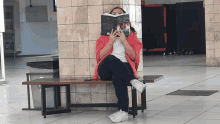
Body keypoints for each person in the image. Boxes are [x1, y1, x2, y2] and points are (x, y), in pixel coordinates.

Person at [92, 7, 147, 123]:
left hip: (124, 68)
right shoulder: (104, 35)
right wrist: (110, 42)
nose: (116, 15)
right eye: (114, 14)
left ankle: (123, 112)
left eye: (120, 14)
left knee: (118, 75)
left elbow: (133, 56)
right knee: (112, 58)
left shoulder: (130, 35)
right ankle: (133, 81)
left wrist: (124, 41)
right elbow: (100, 57)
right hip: (105, 69)